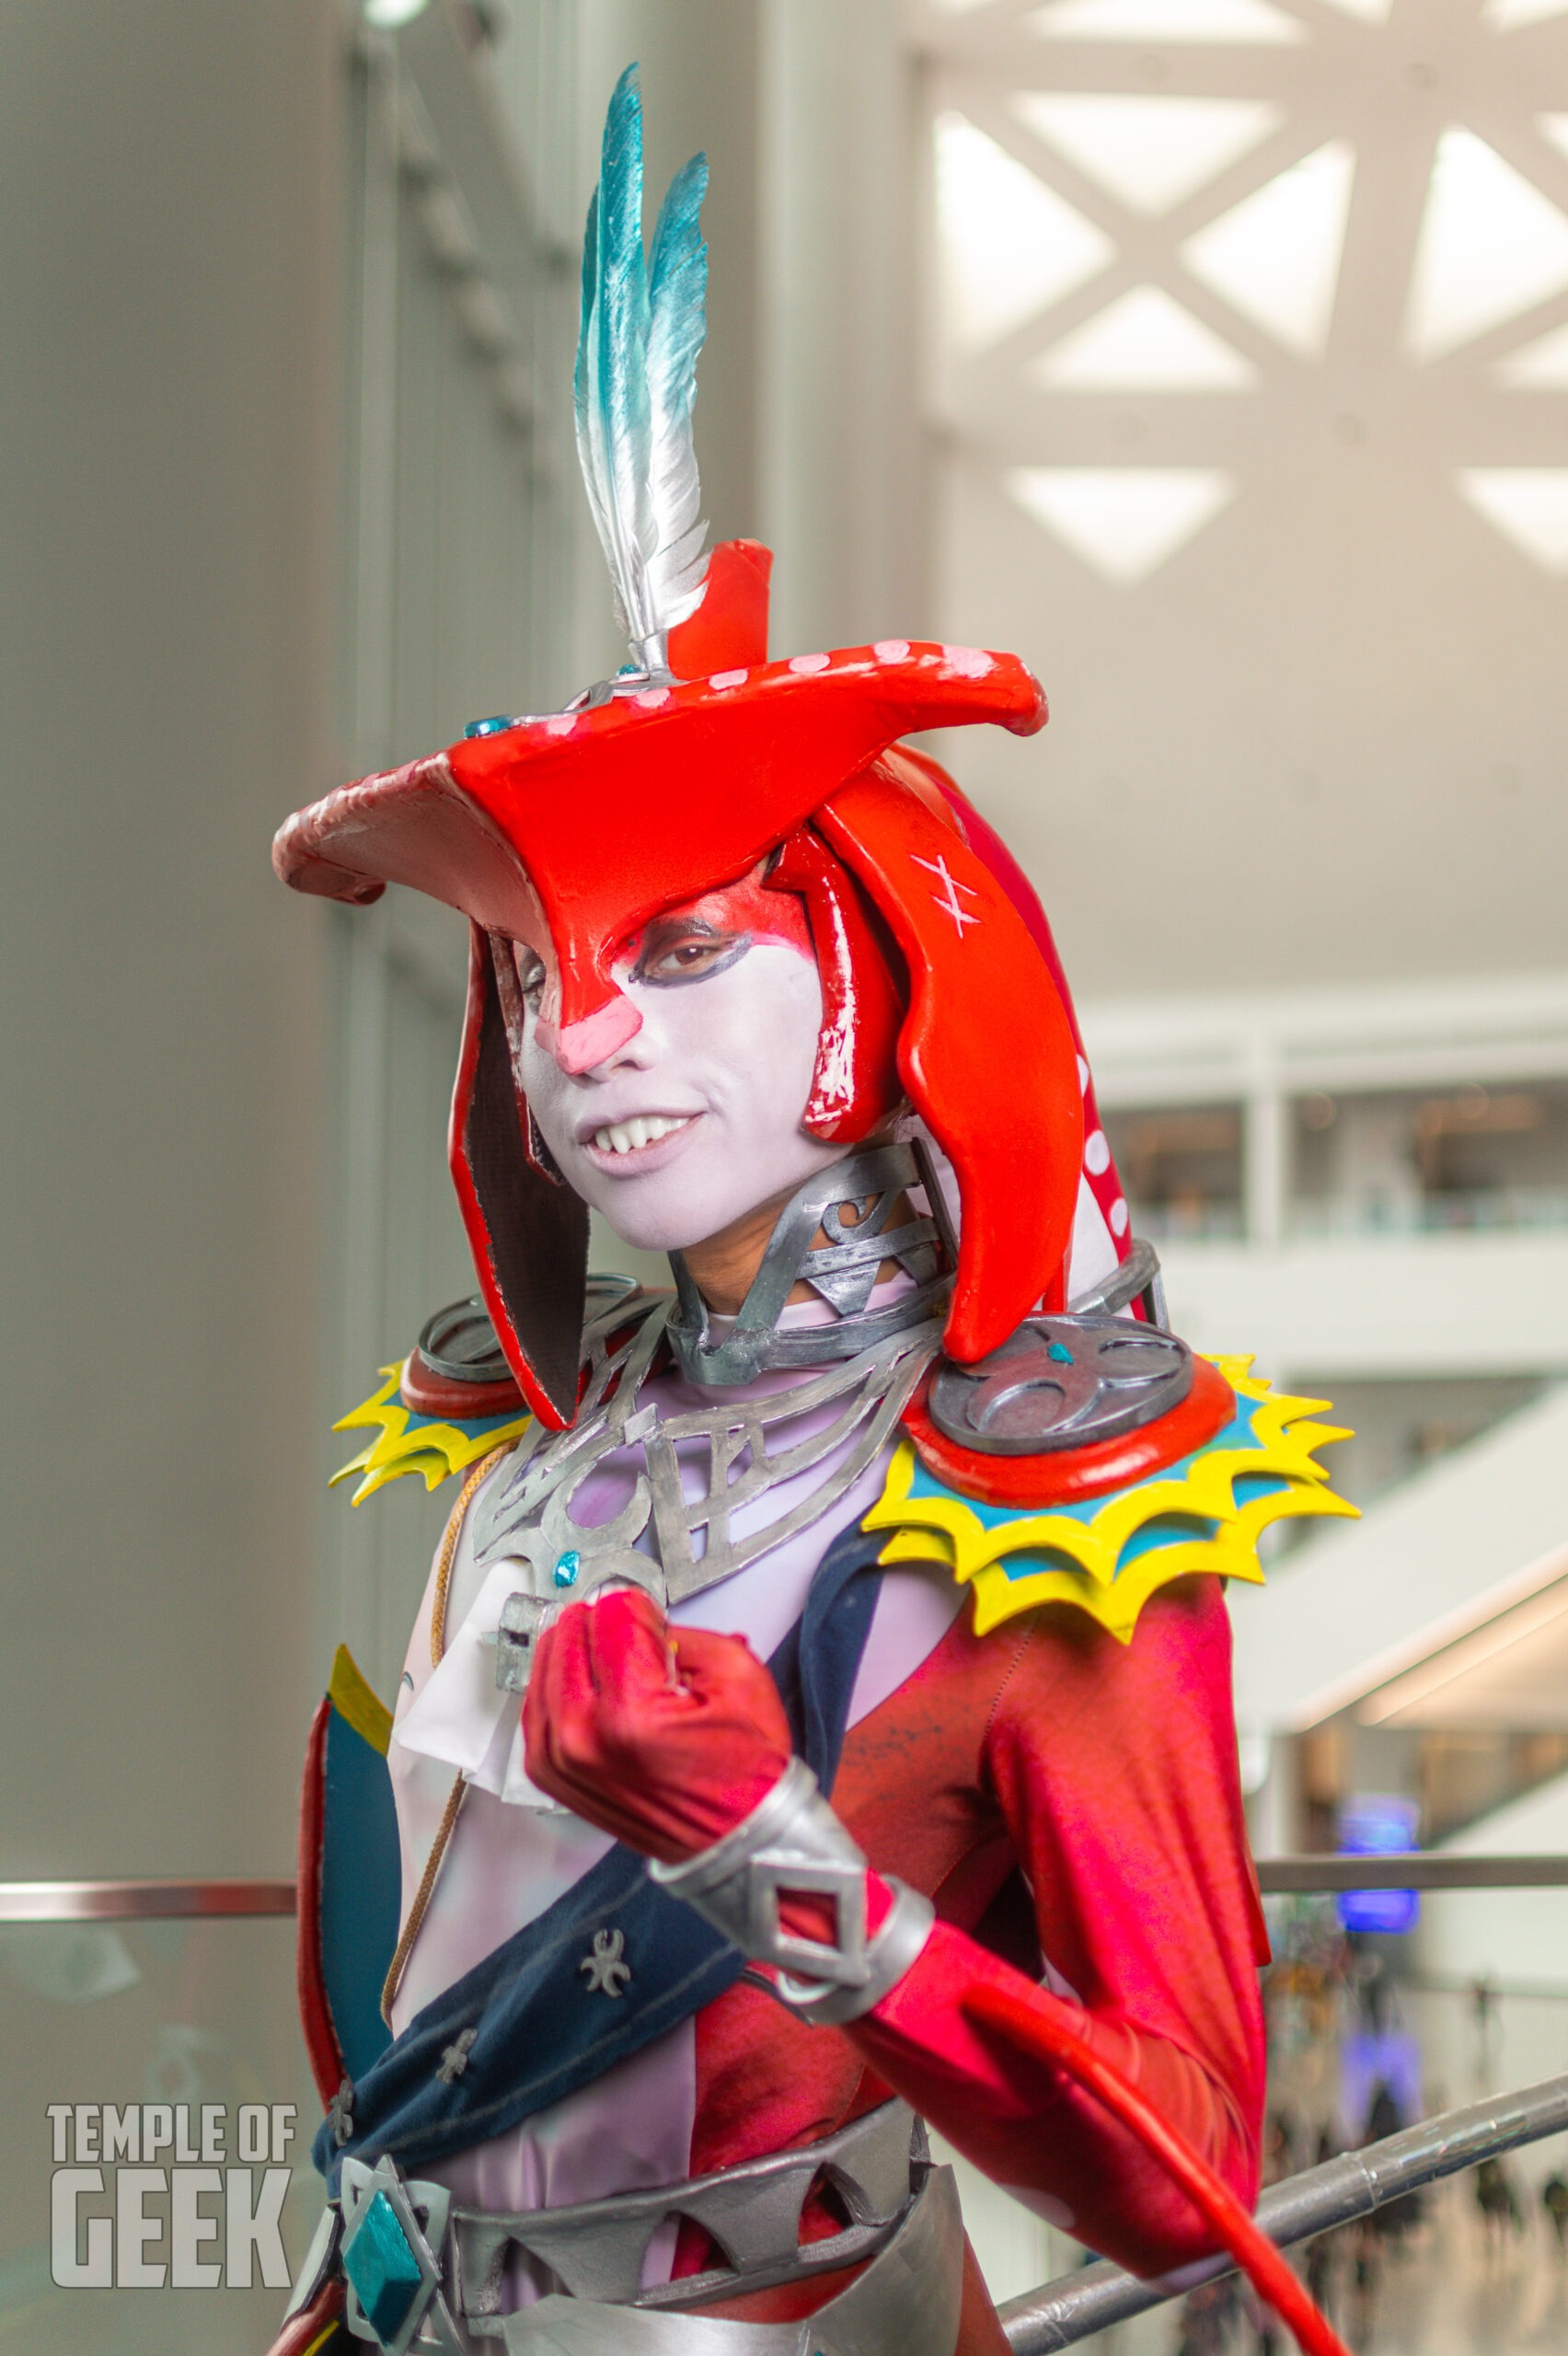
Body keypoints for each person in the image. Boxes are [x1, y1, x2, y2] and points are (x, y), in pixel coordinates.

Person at [265, 66, 1352, 2356]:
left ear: (871, 992)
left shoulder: (1060, 1490)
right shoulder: (525, 1444)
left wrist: (773, 1843)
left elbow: (1190, 2170)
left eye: (673, 949)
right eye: (538, 969)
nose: (582, 1034)